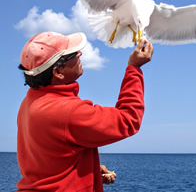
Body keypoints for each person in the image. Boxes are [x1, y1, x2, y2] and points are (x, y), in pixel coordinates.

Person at [16, 31, 153, 191]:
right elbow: (127, 120)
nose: (79, 53)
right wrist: (134, 68)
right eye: (72, 54)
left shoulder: (29, 103)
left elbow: (51, 159)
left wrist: (90, 170)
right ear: (58, 72)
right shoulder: (68, 111)